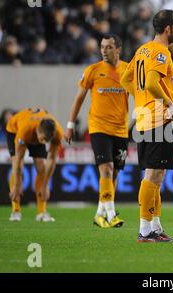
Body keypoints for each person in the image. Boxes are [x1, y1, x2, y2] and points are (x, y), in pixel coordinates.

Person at [120, 9, 173, 243]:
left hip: (146, 117)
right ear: (168, 28)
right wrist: (169, 103)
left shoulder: (142, 50)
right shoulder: (161, 52)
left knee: (158, 174)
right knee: (153, 174)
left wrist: (141, 98)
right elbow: (154, 82)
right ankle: (145, 230)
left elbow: (126, 79)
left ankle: (155, 226)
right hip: (157, 119)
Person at [65, 34, 128, 228]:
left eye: (109, 47)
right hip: (99, 127)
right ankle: (111, 215)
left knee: (114, 174)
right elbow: (79, 99)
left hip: (121, 130)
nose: (104, 50)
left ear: (118, 49)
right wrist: (70, 125)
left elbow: (139, 94)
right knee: (106, 169)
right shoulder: (93, 71)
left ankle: (99, 214)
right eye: (102, 47)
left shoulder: (128, 70)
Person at [6, 108, 64, 222]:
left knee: (41, 166)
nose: (43, 143)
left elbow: (52, 159)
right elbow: (19, 159)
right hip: (14, 129)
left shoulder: (57, 134)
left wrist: (46, 184)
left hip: (35, 132)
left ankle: (42, 212)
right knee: (17, 167)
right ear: (38, 131)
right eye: (42, 139)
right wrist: (17, 185)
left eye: (46, 141)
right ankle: (15, 211)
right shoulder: (25, 131)